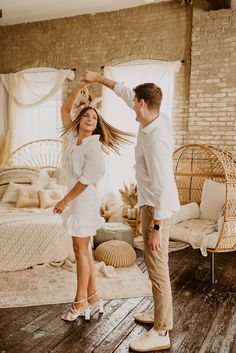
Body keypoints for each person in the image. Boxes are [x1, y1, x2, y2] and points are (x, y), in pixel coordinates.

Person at [82, 70, 180, 352]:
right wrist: (99, 79)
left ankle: (161, 331)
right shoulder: (153, 115)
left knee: (158, 267)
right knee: (152, 265)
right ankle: (162, 315)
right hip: (151, 203)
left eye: (134, 102)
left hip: (158, 207)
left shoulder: (157, 139)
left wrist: (158, 227)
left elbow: (163, 188)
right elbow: (124, 90)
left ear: (142, 104)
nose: (131, 104)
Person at [53, 81, 133, 322]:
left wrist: (64, 201)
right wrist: (79, 86)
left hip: (82, 200)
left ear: (97, 126)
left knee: (80, 253)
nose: (90, 119)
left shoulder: (94, 149)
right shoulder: (72, 137)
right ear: (79, 120)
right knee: (84, 251)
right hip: (75, 199)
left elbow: (86, 181)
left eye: (94, 118)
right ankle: (94, 297)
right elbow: (64, 110)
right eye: (86, 115)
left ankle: (80, 303)